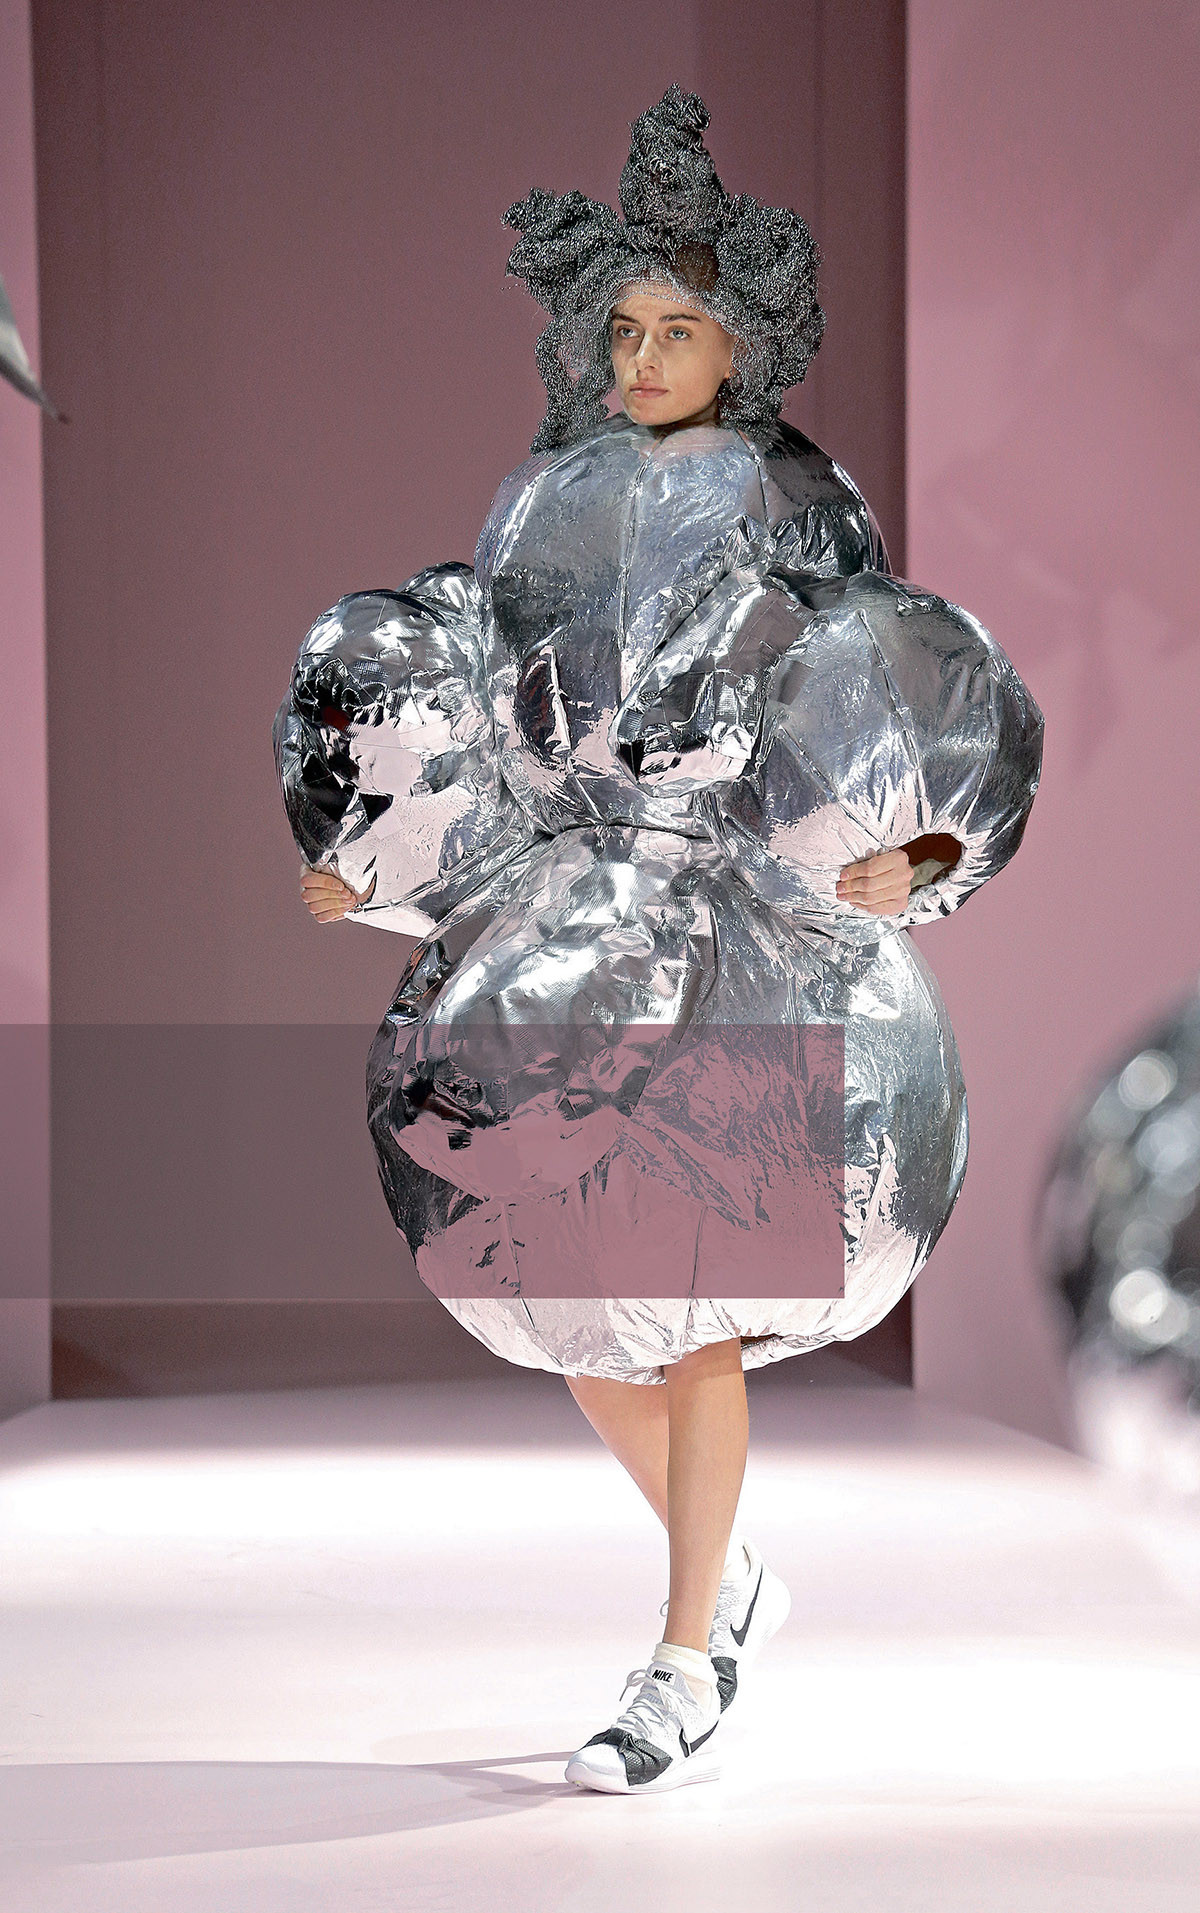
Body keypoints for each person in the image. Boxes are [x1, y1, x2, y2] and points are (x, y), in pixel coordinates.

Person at [275, 86, 1043, 1796]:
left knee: (694, 1313)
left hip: (746, 936)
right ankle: (733, 1575)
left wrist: (921, 844)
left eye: (672, 331)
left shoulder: (803, 500)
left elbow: (885, 685)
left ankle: (683, 1652)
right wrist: (390, 868)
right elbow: (486, 709)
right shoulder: (545, 498)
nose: (638, 358)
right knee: (577, 1308)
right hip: (575, 936)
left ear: (739, 343)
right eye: (620, 330)